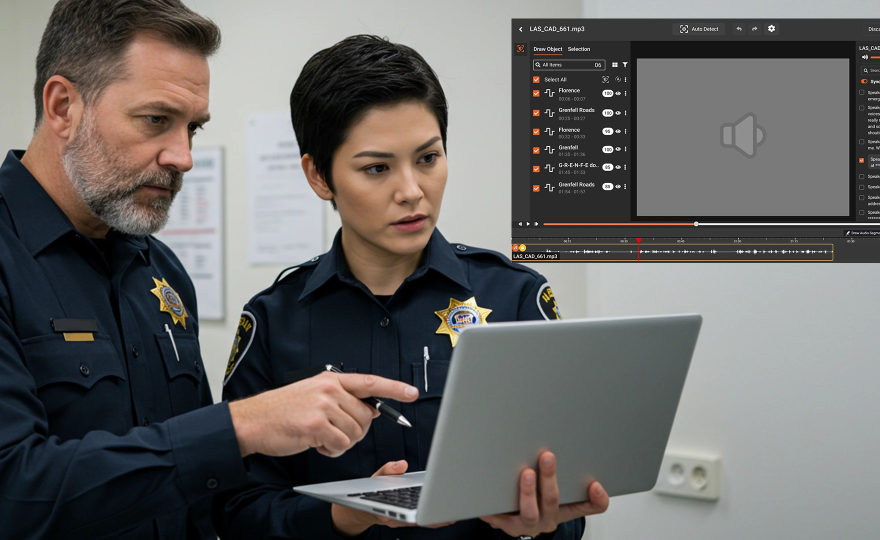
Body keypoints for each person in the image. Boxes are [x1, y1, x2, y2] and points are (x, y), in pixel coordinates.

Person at [0, 3, 418, 538]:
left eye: (192, 128)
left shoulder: (163, 276)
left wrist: (341, 514)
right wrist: (243, 425)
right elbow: (15, 489)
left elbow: (205, 498)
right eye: (156, 120)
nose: (183, 156)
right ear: (63, 107)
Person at [214, 35, 609, 540]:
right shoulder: (275, 320)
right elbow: (236, 509)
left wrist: (541, 527)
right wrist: (340, 518)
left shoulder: (514, 299)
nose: (411, 190)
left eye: (427, 158)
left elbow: (568, 500)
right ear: (318, 175)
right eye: (377, 168)